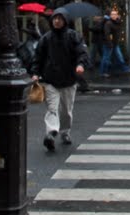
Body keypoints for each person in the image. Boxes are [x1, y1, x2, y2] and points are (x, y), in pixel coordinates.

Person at [31, 9, 90, 151]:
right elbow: (38, 57)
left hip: (69, 79)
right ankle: (51, 132)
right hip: (50, 79)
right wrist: (35, 73)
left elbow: (82, 52)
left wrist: (81, 64)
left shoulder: (73, 36)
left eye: (60, 18)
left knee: (66, 111)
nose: (56, 21)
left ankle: (65, 132)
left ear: (65, 20)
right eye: (54, 18)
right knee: (52, 108)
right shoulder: (46, 38)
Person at [100, 8, 130, 77]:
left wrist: (119, 20)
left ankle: (124, 68)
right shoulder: (108, 23)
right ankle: (103, 72)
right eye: (112, 14)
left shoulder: (116, 22)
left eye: (115, 14)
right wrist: (109, 43)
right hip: (109, 44)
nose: (114, 16)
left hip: (115, 43)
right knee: (106, 57)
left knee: (119, 56)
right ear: (110, 15)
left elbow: (118, 26)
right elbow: (107, 34)